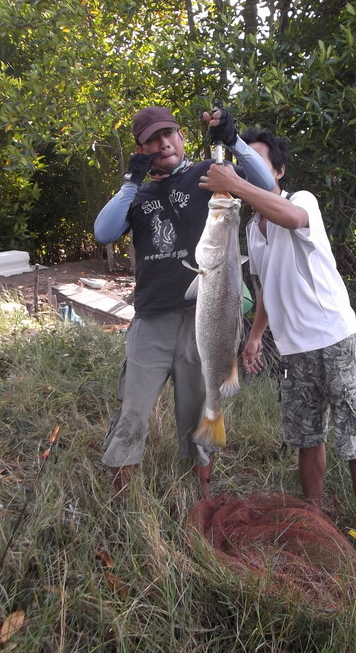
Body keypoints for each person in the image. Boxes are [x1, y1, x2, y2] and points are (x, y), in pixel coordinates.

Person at [198, 127, 356, 557]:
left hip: (335, 338)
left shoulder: (301, 202)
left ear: (279, 171)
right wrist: (256, 336)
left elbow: (292, 220)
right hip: (294, 350)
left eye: (259, 165)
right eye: (246, 166)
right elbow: (265, 287)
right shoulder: (254, 232)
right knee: (305, 436)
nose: (250, 173)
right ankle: (313, 514)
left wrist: (234, 182)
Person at [94, 107, 275, 500]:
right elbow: (103, 232)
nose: (164, 144)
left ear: (181, 136)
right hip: (151, 323)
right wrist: (132, 180)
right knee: (132, 414)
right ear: (141, 148)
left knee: (198, 415)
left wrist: (232, 141)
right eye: (153, 139)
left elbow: (268, 188)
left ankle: (201, 500)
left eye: (169, 134)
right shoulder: (136, 195)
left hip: (204, 318)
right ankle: (120, 505)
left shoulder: (207, 176)